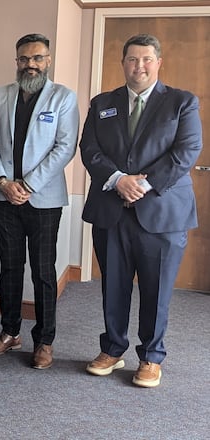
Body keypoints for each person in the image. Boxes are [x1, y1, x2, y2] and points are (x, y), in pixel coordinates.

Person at [81, 34, 202, 388]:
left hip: (162, 214)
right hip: (111, 210)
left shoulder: (182, 102)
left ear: (158, 62)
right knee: (113, 287)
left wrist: (142, 185)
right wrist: (118, 179)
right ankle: (113, 348)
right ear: (123, 63)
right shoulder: (102, 102)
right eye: (133, 59)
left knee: (157, 289)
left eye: (147, 59)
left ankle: (151, 357)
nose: (139, 66)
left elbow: (186, 151)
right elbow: (89, 148)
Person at [0, 33, 79, 369]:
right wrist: (4, 182)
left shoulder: (63, 98)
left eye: (38, 58)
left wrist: (28, 184)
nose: (31, 64)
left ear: (48, 60)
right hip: (3, 197)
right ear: (17, 61)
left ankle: (44, 340)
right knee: (9, 268)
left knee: (43, 272)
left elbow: (64, 148)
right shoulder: (1, 95)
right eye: (24, 59)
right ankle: (10, 332)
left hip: (44, 200)